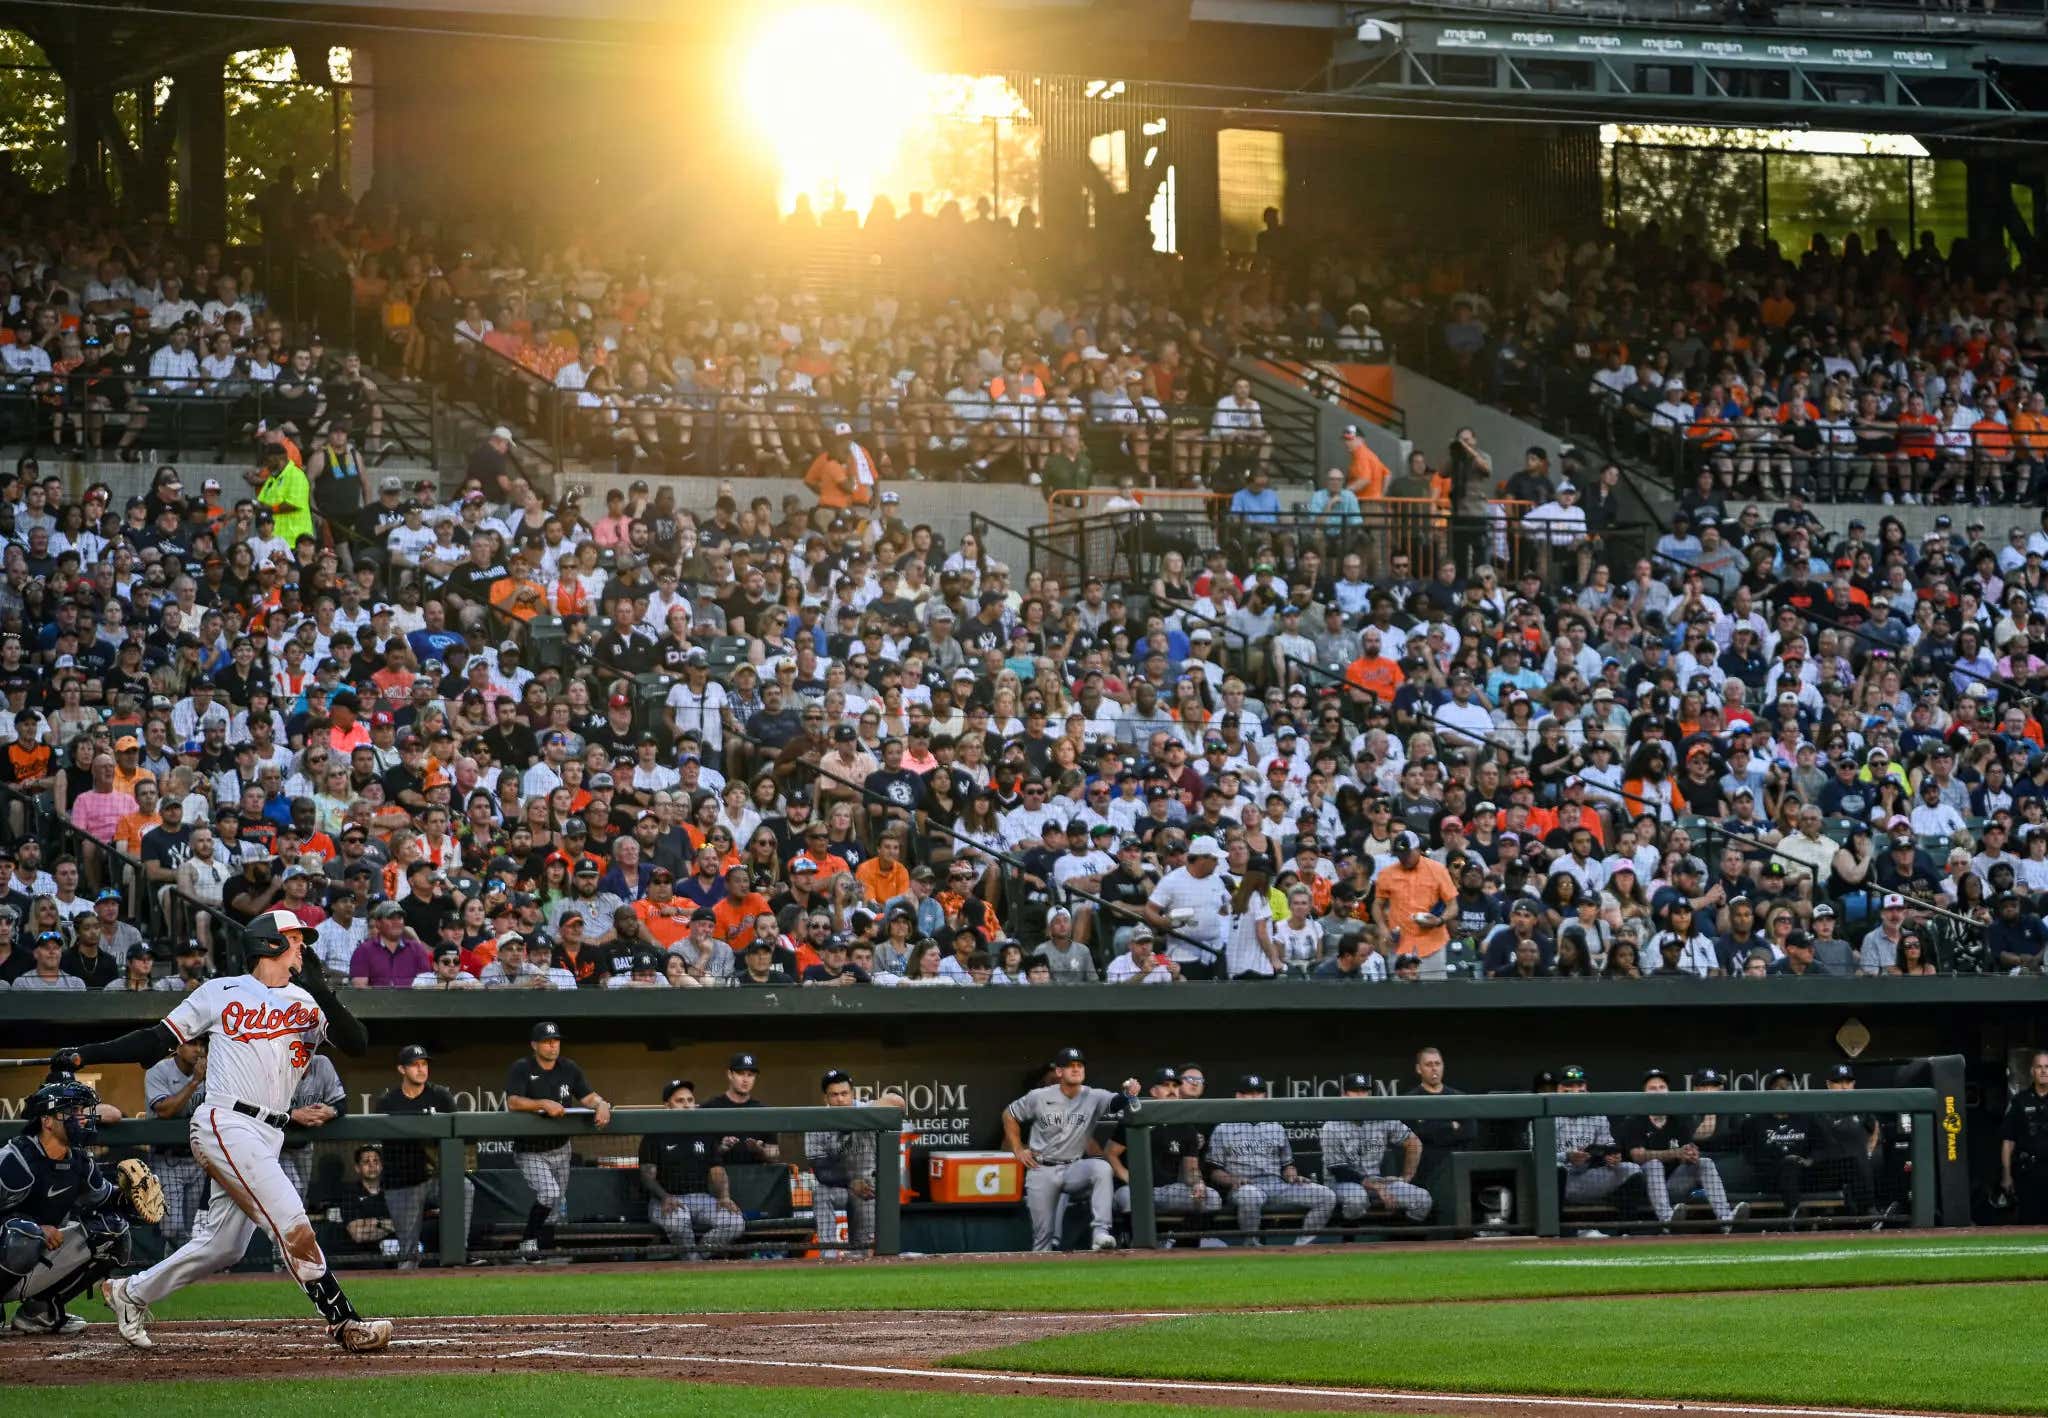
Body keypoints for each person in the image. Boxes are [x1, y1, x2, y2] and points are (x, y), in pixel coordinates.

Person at [48, 908, 390, 1351]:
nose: (303, 947)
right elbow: (155, 1040)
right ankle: (343, 1322)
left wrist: (322, 991)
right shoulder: (221, 991)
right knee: (290, 1218)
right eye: (295, 939)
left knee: (223, 1246)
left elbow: (359, 1044)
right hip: (225, 1120)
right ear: (269, 943)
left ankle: (130, 1292)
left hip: (270, 1132)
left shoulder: (309, 1002)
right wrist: (85, 1055)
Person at [0, 1080, 139, 1335]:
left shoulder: (79, 1161)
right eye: (72, 1112)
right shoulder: (15, 1161)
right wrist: (35, 1228)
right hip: (12, 1245)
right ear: (47, 1121)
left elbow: (105, 1199)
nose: (82, 1118)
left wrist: (132, 1197)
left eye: (83, 1111)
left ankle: (40, 1312)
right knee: (24, 1234)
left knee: (112, 1231)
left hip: (36, 1251)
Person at [503, 1021, 611, 1261]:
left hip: (561, 1147)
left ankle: (544, 1252)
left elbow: (588, 1096)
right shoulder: (522, 1067)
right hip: (531, 1149)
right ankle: (527, 1242)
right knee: (549, 1193)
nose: (553, 1045)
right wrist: (542, 1103)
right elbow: (514, 1102)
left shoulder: (569, 1068)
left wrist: (602, 1104)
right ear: (534, 1045)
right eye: (547, 1041)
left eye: (556, 1041)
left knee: (556, 1203)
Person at [1002, 1046, 1122, 1252]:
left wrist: (1129, 1093)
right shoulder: (1038, 1096)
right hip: (1042, 1168)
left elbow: (1118, 1102)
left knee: (1102, 1169)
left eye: (1079, 1065)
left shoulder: (1094, 1096)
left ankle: (1101, 1232)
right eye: (1070, 1066)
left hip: (1072, 1168)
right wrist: (1018, 1148)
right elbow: (1009, 1114)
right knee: (1043, 1239)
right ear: (1059, 1072)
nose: (1076, 1069)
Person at [1205, 1073, 1337, 1245]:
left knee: (1326, 1196)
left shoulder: (1275, 1127)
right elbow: (1214, 1171)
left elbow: (1287, 1164)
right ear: (1238, 1096)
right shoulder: (1223, 1128)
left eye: (1258, 1093)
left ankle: (1302, 1245)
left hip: (1277, 1186)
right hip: (1245, 1187)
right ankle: (1251, 1243)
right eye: (1249, 1093)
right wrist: (1232, 1180)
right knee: (1250, 1196)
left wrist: (1292, 1176)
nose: (1255, 1097)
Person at [1615, 1069, 1745, 1230]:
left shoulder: (1677, 1119)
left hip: (1674, 1183)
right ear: (1644, 1092)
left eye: (1662, 1087)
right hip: (1646, 1187)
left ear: (1668, 1091)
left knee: (1704, 1162)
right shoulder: (1634, 1120)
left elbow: (1688, 1148)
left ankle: (1726, 1219)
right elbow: (1638, 1156)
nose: (1658, 1092)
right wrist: (1675, 1153)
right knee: (1654, 1164)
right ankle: (1667, 1220)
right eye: (1653, 1088)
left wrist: (1691, 1154)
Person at [370, 1044, 459, 1270]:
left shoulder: (440, 1096)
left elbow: (458, 1132)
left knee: (465, 1186)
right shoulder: (388, 1101)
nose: (421, 1069)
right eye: (415, 1065)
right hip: (402, 1182)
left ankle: (460, 1253)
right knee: (407, 1255)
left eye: (424, 1064)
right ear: (401, 1069)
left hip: (434, 1178)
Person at [639, 1077, 745, 1260]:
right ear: (667, 1105)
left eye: (690, 1100)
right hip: (665, 1199)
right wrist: (664, 1197)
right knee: (679, 1222)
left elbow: (717, 1169)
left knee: (734, 1222)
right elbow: (647, 1175)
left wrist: (725, 1196)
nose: (687, 1105)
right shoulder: (654, 1134)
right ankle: (694, 1264)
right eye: (680, 1101)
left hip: (701, 1199)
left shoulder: (703, 1131)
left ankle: (696, 1258)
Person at [804, 1069, 906, 1254]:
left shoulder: (865, 1111)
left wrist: (865, 1116)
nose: (840, 1099)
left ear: (852, 1093)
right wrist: (851, 1183)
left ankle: (861, 1255)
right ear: (825, 1098)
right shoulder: (816, 1122)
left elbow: (898, 1102)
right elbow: (820, 1171)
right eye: (834, 1095)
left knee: (862, 1248)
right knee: (820, 1192)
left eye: (844, 1093)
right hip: (840, 1187)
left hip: (866, 1187)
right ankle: (828, 1253)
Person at [1108, 1066, 1222, 1227]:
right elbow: (1110, 1153)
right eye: (1165, 1086)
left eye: (1175, 1086)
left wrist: (1197, 1182)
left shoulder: (1186, 1127)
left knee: (1212, 1198)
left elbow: (1191, 1170)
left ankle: (1183, 1245)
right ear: (1154, 1091)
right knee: (1131, 1199)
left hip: (1166, 1192)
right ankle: (1135, 1247)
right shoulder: (1136, 1116)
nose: (1171, 1090)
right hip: (1133, 1189)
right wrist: (1127, 1177)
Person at [1320, 1073, 1432, 1224]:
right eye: (1356, 1091)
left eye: (1364, 1091)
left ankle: (1403, 1240)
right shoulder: (1332, 1125)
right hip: (1342, 1183)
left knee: (1422, 1199)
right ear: (1344, 1094)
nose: (1361, 1096)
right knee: (1357, 1199)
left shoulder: (1381, 1117)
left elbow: (1414, 1143)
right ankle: (1350, 1240)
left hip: (1377, 1181)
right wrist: (1375, 1186)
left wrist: (1406, 1177)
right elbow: (1338, 1170)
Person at [1553, 1064, 1645, 1232]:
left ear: (1586, 1087)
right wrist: (1567, 1156)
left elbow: (1607, 1144)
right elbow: (1536, 1156)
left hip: (1588, 1178)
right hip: (1557, 1183)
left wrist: (1610, 1156)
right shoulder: (1547, 1114)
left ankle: (1626, 1232)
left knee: (1631, 1169)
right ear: (1558, 1088)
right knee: (1557, 1169)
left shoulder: (1596, 1112)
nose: (1575, 1090)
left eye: (1579, 1085)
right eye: (1569, 1085)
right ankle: (1556, 1231)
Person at [2000, 1049, 2048, 1225]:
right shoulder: (2020, 1101)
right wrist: (2006, 1175)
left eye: (2047, 1067)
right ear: (2032, 1071)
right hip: (2029, 1173)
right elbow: (2008, 1141)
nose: (2044, 1071)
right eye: (2039, 1067)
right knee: (2029, 1222)